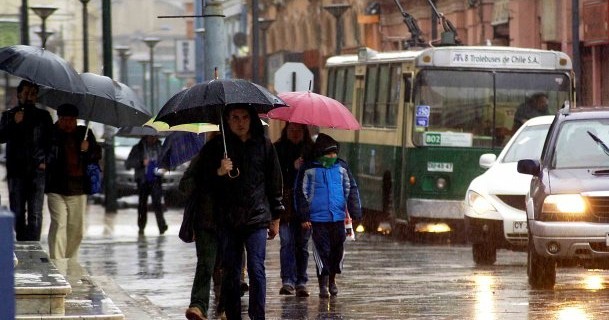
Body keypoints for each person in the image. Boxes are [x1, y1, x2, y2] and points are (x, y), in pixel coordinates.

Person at [197, 105, 284, 320]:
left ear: (251, 119)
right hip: (227, 220)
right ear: (226, 120)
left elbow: (274, 183)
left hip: (256, 218)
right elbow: (202, 183)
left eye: (244, 117)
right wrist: (219, 171)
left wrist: (276, 217)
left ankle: (258, 316)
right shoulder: (216, 147)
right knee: (232, 272)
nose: (240, 122)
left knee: (256, 269)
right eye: (235, 118)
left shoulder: (263, 145)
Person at [294, 133, 362, 298]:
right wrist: (304, 217)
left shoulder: (342, 168)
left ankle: (332, 279)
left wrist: (355, 212)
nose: (332, 156)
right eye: (328, 153)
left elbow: (351, 189)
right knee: (321, 251)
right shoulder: (309, 169)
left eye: (334, 153)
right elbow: (300, 193)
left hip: (337, 217)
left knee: (337, 250)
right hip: (318, 219)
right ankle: (323, 284)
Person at [45, 104, 102, 259]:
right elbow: (46, 156)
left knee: (76, 229)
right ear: (59, 119)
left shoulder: (85, 133)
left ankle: (69, 259)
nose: (69, 123)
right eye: (65, 120)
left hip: (78, 189)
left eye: (72, 120)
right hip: (56, 188)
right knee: (59, 225)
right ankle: (57, 262)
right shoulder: (51, 134)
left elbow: (96, 155)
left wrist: (87, 149)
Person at [0, 80, 53, 241]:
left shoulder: (43, 116)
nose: (30, 96)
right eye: (26, 92)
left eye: (33, 93)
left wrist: (45, 161)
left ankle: (33, 246)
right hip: (16, 170)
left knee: (35, 212)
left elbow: (51, 142)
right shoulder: (9, 115)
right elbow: (1, 137)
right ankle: (23, 241)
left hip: (37, 169)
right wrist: (14, 123)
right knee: (16, 210)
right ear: (19, 94)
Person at [273, 122, 314, 297]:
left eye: (299, 130)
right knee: (287, 242)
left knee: (302, 245)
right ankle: (288, 280)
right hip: (285, 205)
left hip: (306, 206)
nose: (295, 133)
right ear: (286, 131)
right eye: (292, 130)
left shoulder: (311, 151)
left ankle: (301, 281)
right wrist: (292, 167)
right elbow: (275, 175)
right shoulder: (277, 149)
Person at [125, 135, 168, 235]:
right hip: (143, 180)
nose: (153, 138)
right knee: (142, 204)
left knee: (157, 203)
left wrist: (165, 167)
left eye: (155, 137)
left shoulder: (161, 148)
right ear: (146, 136)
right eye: (151, 137)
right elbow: (128, 164)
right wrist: (141, 162)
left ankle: (162, 226)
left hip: (156, 179)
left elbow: (169, 162)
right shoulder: (137, 148)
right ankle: (141, 226)